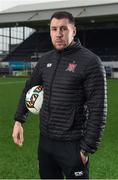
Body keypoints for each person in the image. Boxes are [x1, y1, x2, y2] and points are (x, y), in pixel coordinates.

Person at [12, 11, 107, 179]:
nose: (58, 34)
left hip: (73, 145)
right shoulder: (45, 60)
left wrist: (86, 149)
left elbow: (98, 110)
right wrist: (19, 120)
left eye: (63, 28)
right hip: (46, 143)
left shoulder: (90, 62)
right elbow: (29, 87)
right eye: (54, 29)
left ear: (74, 31)